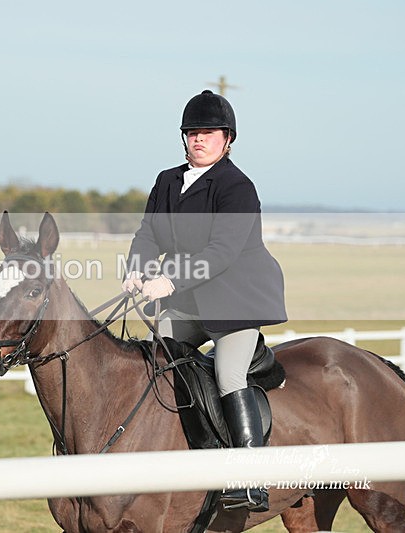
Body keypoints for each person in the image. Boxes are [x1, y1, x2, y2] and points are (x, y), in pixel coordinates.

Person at [122, 89, 287, 512]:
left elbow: (221, 253)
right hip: (192, 303)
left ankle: (252, 479)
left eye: (208, 133)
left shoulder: (237, 187)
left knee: (230, 377)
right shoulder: (167, 181)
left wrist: (170, 280)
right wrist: (137, 268)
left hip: (236, 302)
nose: (199, 139)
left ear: (227, 139)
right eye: (192, 132)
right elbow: (148, 234)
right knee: (153, 361)